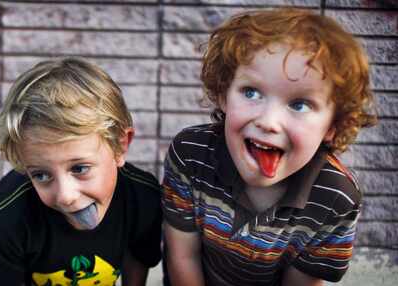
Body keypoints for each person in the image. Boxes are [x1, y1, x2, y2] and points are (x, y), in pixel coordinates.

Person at [161, 8, 377, 286]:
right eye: (251, 92)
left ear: (332, 126)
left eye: (299, 104)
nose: (268, 122)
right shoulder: (190, 153)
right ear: (224, 94)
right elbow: (182, 257)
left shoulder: (336, 197)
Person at [0, 57, 162, 285]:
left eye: (79, 168)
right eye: (41, 175)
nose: (65, 196)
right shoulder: (10, 211)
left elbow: (138, 257)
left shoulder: (142, 197)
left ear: (120, 145)